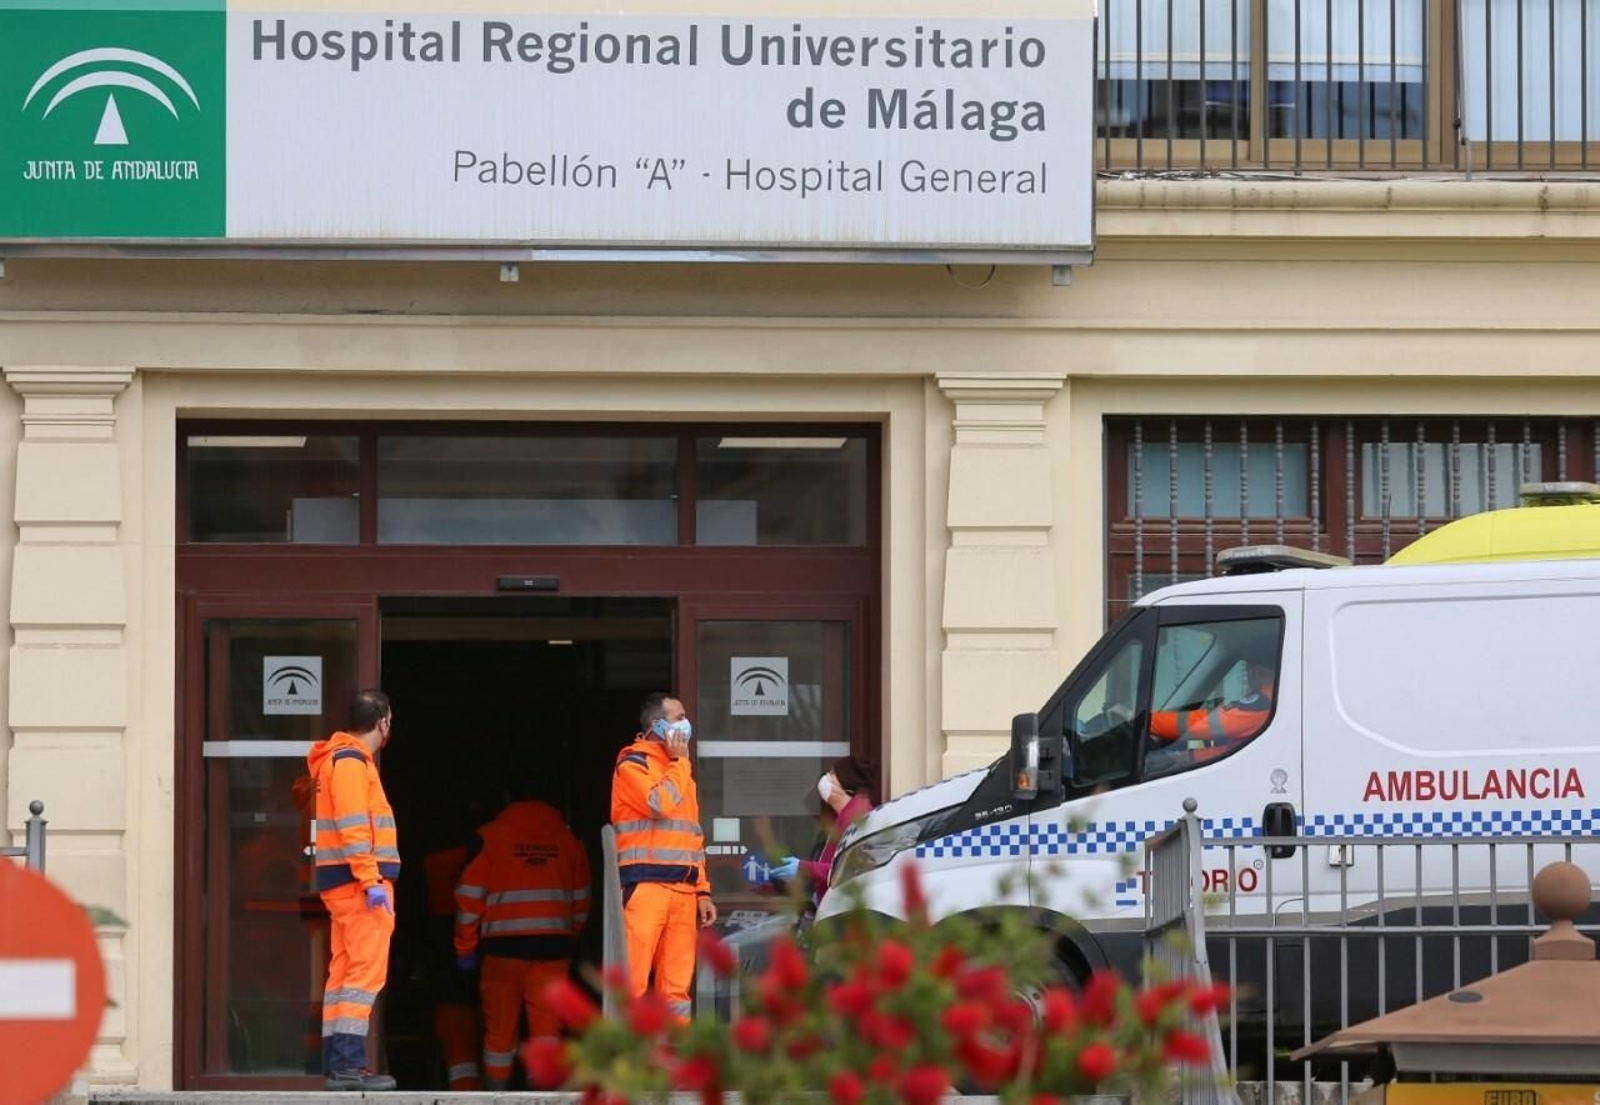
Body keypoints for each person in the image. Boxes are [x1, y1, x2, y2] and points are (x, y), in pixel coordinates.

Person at [454, 775, 591, 1091]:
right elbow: (582, 898)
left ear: (507, 798)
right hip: (553, 951)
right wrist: (568, 936)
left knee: (499, 1036)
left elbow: (469, 899)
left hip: (501, 953)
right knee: (547, 1034)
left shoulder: (488, 837)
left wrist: (465, 948)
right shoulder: (569, 839)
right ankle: (544, 1095)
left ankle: (496, 1095)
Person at [306, 689, 400, 1092]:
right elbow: (354, 828)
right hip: (360, 885)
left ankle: (337, 1063)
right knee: (363, 974)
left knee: (344, 971)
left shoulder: (344, 760)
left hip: (347, 884)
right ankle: (347, 1065)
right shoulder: (350, 762)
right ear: (383, 721)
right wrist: (371, 880)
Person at [610, 692, 716, 1024]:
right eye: (678, 717)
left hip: (683, 891)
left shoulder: (680, 771)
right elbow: (658, 804)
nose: (686, 723)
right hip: (645, 886)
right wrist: (680, 762)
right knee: (633, 985)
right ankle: (629, 1055)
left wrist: (702, 891)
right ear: (657, 725)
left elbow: (693, 836)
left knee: (676, 992)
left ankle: (674, 1056)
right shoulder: (633, 764)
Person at [420, 806, 487, 1091]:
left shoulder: (433, 861)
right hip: (475, 938)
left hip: (442, 940)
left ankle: (462, 1087)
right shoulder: (482, 856)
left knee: (455, 1026)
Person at [772, 754, 878, 909]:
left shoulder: (857, 815)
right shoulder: (845, 813)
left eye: (833, 773)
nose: (826, 777)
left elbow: (844, 871)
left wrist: (802, 867)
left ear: (845, 782)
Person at [1147, 654, 1276, 764]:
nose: (1248, 676)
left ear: (1258, 672)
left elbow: (1200, 725)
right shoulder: (1271, 701)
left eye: (1248, 669)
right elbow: (1228, 744)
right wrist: (1189, 754)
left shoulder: (1262, 705)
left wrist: (1147, 721)